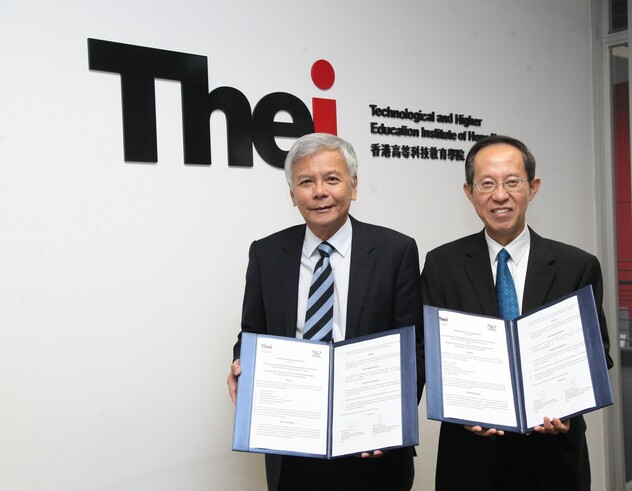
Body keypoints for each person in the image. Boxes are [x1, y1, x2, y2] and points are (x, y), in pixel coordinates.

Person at [227, 133, 424, 491]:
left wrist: (392, 422)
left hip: (374, 449)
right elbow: (251, 333)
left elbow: (414, 348)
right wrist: (243, 364)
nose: (320, 191)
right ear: (292, 195)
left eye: (332, 179)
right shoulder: (266, 254)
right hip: (293, 445)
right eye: (306, 182)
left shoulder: (396, 251)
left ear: (354, 186)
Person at [421, 134, 613, 491]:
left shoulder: (577, 266)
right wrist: (460, 406)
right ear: (469, 192)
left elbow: (597, 353)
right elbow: (431, 353)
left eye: (512, 182)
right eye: (487, 184)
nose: (500, 195)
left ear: (533, 187)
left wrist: (569, 405)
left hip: (553, 455)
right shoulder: (441, 264)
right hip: (469, 457)